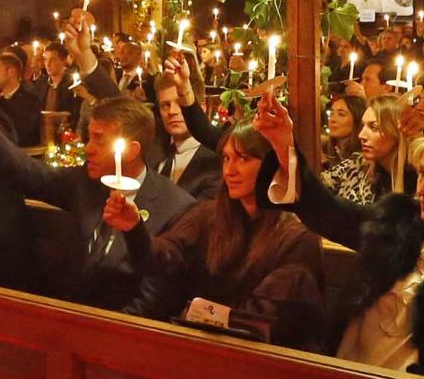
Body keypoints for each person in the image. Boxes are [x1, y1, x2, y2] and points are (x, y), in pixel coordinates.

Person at [252, 94, 424, 379]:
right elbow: (327, 211)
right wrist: (283, 143)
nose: (423, 189)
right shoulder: (398, 222)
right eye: (422, 174)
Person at [0, 79, 193, 311]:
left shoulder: (173, 206)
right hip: (65, 315)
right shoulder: (86, 182)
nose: (87, 148)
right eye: (89, 137)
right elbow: (29, 173)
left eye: (99, 139)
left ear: (131, 151)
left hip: (121, 332)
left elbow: (155, 298)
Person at [113, 123, 326, 350]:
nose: (229, 170)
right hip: (201, 347)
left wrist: (201, 315)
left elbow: (264, 321)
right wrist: (134, 229)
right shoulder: (208, 215)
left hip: (265, 361)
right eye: (226, 158)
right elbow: (164, 259)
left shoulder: (297, 239)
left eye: (242, 159)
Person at [324, 93, 407, 205]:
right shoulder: (358, 163)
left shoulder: (417, 177)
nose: (361, 135)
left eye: (374, 127)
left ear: (396, 131)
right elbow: (319, 185)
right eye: (363, 126)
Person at [153, 71, 220, 199]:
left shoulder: (215, 160)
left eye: (180, 104)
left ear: (201, 108)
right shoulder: (154, 149)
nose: (172, 111)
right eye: (165, 105)